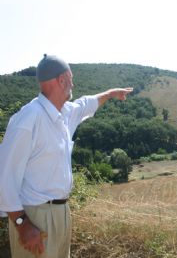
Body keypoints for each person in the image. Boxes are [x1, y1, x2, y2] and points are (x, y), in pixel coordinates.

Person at [0, 54, 133, 257]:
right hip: (34, 217)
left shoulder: (65, 113)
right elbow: (4, 177)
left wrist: (110, 93)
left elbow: (87, 103)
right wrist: (22, 224)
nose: (73, 82)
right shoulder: (28, 119)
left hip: (61, 213)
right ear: (62, 80)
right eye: (71, 77)